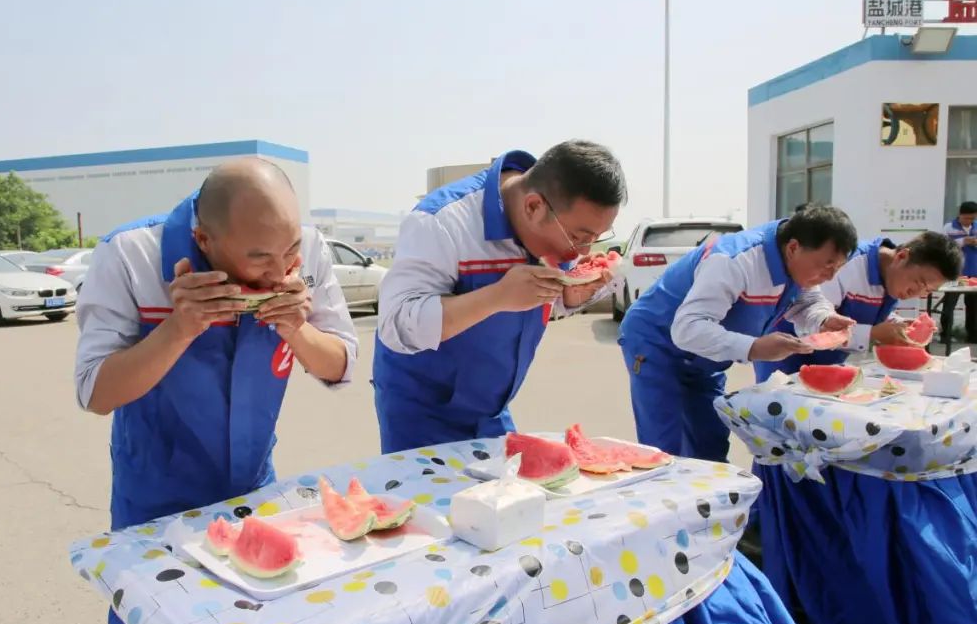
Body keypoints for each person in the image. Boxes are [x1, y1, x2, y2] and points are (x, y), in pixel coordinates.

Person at [74, 158, 359, 624]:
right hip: (153, 492)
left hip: (253, 486)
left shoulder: (308, 253)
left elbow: (340, 365)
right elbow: (96, 392)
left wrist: (297, 328)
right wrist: (179, 328)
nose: (280, 271)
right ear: (204, 240)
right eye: (260, 258)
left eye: (290, 251)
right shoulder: (129, 254)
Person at [372, 141, 626, 453]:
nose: (581, 252)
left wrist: (571, 296)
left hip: (492, 411)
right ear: (533, 207)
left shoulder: (555, 223)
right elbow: (396, 324)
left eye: (595, 239)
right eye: (578, 237)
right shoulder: (442, 221)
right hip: (422, 413)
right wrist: (496, 297)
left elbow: (544, 301)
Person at [619, 204, 858, 463]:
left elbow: (806, 302)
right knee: (663, 447)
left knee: (710, 444)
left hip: (706, 357)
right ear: (793, 248)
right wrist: (754, 347)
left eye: (837, 268)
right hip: (656, 344)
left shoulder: (798, 265)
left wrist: (824, 319)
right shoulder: (734, 260)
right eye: (827, 265)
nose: (829, 277)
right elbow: (688, 328)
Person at [754, 230, 962, 381]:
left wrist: (898, 325)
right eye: (919, 282)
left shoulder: (894, 278)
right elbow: (813, 321)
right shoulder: (846, 264)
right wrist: (873, 334)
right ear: (901, 256)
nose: (917, 293)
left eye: (928, 290)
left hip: (829, 363)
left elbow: (869, 315)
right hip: (785, 357)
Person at [941, 200, 977, 343]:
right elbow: (943, 246)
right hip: (955, 272)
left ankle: (973, 336)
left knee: (973, 306)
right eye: (966, 218)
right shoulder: (949, 227)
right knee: (949, 304)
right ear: (960, 214)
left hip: (974, 272)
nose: (969, 221)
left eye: (972, 218)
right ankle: (946, 335)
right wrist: (963, 241)